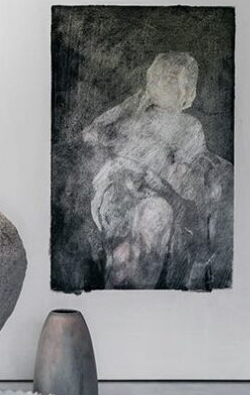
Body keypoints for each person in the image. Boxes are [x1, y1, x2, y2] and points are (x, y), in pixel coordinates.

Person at [82, 52, 232, 289]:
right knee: (143, 214)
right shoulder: (133, 116)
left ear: (188, 93)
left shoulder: (189, 126)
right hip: (118, 189)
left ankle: (139, 290)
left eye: (173, 80)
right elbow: (90, 135)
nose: (163, 84)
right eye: (158, 77)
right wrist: (127, 107)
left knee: (156, 213)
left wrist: (160, 181)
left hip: (159, 193)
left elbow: (186, 176)